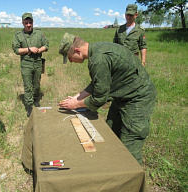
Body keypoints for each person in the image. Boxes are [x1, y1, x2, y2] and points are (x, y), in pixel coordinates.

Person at [58, 33, 156, 165]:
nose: (70, 61)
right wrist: (78, 96)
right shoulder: (96, 50)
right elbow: (98, 82)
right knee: (111, 133)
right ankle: (112, 167)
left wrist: (76, 105)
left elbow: (99, 98)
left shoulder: (98, 60)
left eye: (70, 58)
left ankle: (130, 179)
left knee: (129, 146)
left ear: (77, 51)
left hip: (138, 98)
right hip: (122, 94)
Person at [12, 12, 49, 117]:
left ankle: (36, 99)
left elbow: (46, 45)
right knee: (28, 85)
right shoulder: (18, 35)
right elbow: (16, 50)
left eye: (30, 22)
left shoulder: (39, 33)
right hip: (26, 63)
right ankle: (29, 105)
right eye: (26, 23)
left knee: (36, 83)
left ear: (33, 22)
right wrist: (28, 49)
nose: (28, 25)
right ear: (22, 23)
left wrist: (38, 50)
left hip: (37, 62)